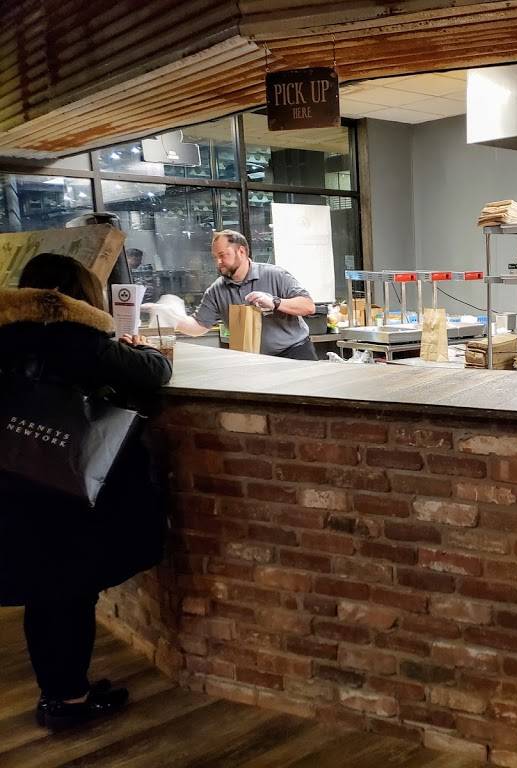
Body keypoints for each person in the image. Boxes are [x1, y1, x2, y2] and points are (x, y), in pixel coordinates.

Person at [0, 253, 172, 731]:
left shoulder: (6, 334)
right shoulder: (76, 338)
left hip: (13, 486)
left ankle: (58, 691)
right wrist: (143, 350)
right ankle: (68, 700)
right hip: (68, 490)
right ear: (80, 296)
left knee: (42, 593)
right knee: (69, 593)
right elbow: (154, 373)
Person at [145, 229, 317, 360]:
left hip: (295, 353)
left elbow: (308, 306)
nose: (218, 262)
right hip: (254, 359)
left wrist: (275, 302)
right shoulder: (216, 290)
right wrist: (172, 317)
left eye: (222, 255)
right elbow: (199, 326)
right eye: (215, 257)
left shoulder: (275, 275)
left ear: (241, 251)